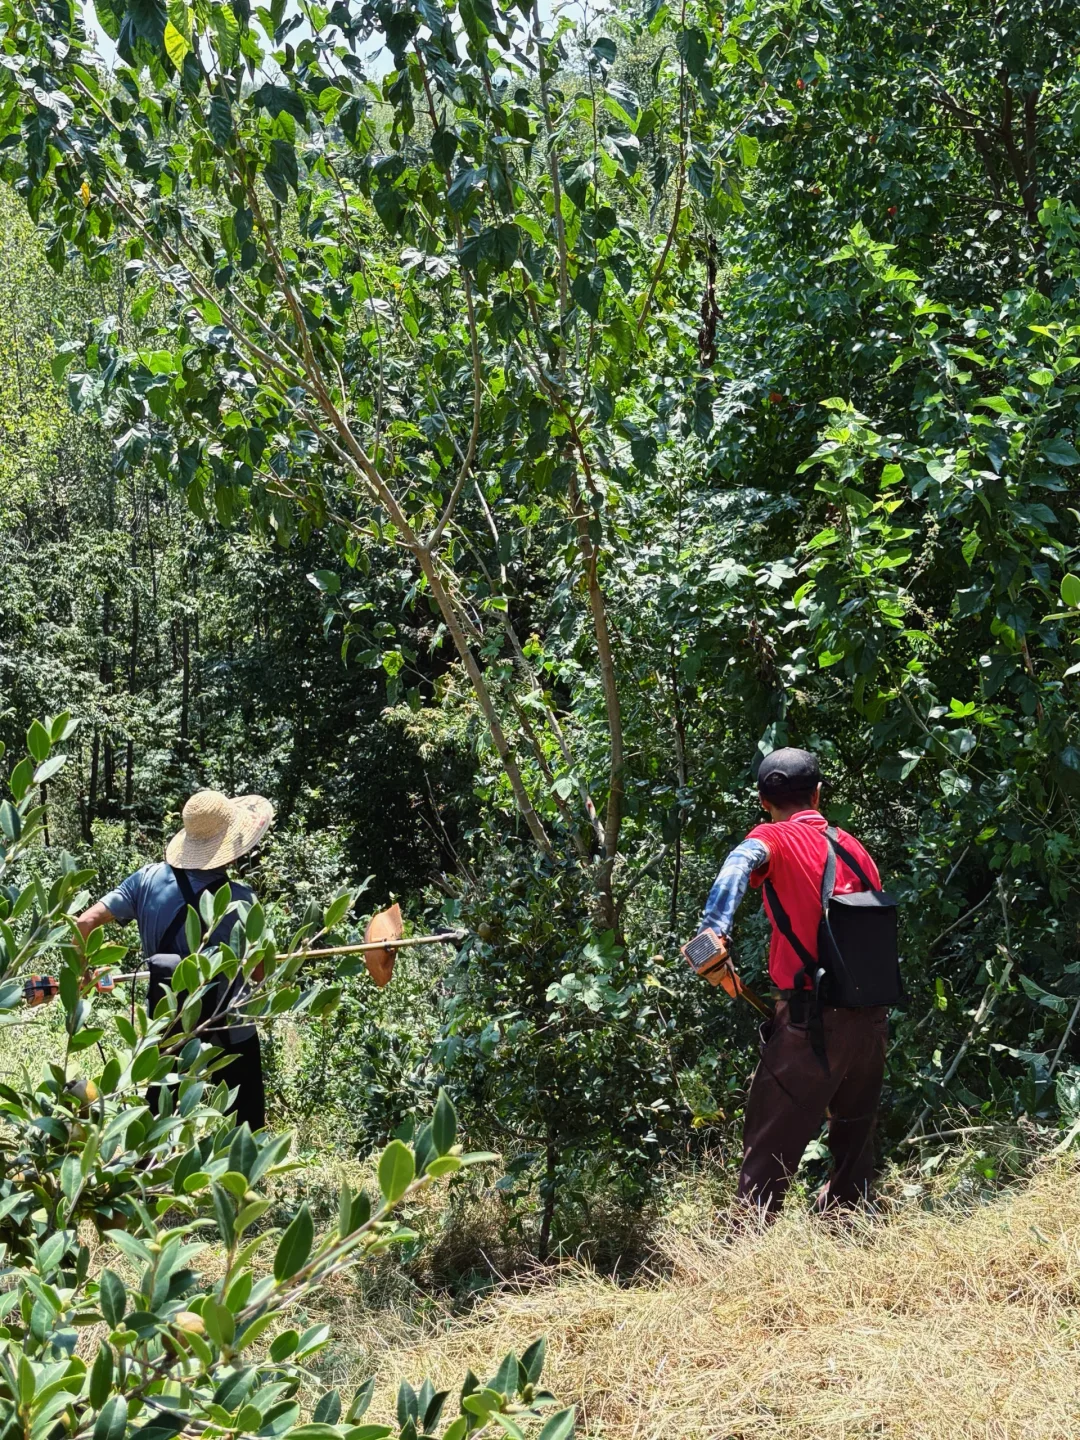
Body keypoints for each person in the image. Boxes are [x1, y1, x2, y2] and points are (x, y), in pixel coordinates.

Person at [689, 748, 889, 1214]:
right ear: (818, 794)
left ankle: (745, 1267)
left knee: (765, 1157)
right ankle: (848, 1246)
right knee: (853, 1158)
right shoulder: (855, 849)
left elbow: (740, 862)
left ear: (763, 801)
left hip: (809, 1028)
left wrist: (709, 935)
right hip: (872, 1023)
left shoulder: (772, 837)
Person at [76, 788, 274, 1131]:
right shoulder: (242, 901)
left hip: (168, 1027)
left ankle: (147, 1180)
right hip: (230, 1031)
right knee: (246, 1134)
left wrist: (85, 970)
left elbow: (85, 921)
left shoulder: (146, 879)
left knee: (156, 1128)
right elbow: (259, 974)